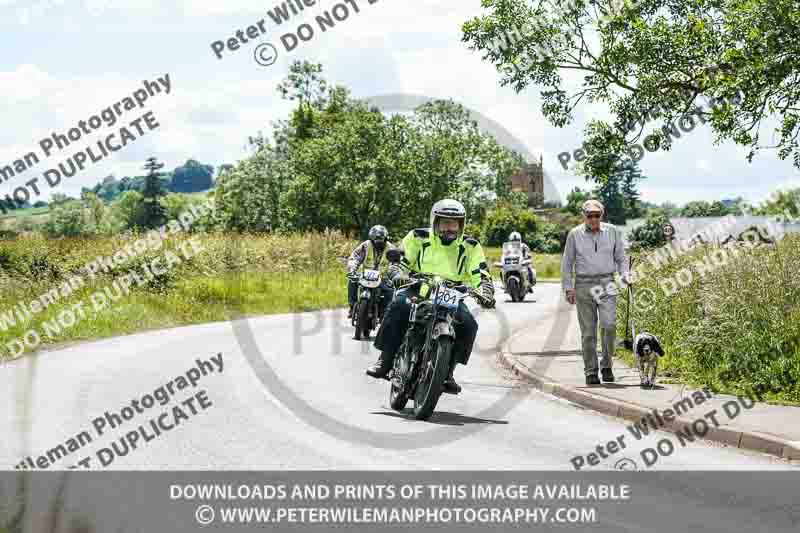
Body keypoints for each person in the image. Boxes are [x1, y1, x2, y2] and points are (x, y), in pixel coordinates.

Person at [365, 199, 495, 394]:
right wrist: (398, 274)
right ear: (435, 221)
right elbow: (400, 261)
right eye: (445, 222)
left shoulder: (471, 246)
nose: (450, 228)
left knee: (468, 324)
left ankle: (448, 371)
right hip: (419, 287)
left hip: (451, 293)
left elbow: (481, 273)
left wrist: (486, 292)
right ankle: (386, 358)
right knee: (400, 305)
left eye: (455, 223)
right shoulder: (417, 236)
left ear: (462, 224)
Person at [561, 199, 628, 385]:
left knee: (609, 325)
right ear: (584, 216)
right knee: (589, 332)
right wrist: (568, 288)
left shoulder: (612, 232)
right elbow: (567, 263)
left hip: (607, 282)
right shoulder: (575, 234)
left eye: (596, 215)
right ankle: (591, 371)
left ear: (602, 215)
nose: (593, 219)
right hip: (583, 284)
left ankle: (606, 365)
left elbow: (621, 257)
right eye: (589, 216)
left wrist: (624, 275)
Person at [346, 225, 395, 319]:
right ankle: (352, 307)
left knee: (390, 290)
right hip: (365, 275)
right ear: (371, 239)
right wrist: (352, 268)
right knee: (352, 280)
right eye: (375, 239)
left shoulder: (391, 249)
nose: (378, 242)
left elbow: (395, 264)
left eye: (381, 239)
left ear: (385, 238)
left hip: (382, 277)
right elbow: (355, 257)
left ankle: (384, 312)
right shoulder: (365, 245)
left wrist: (393, 276)